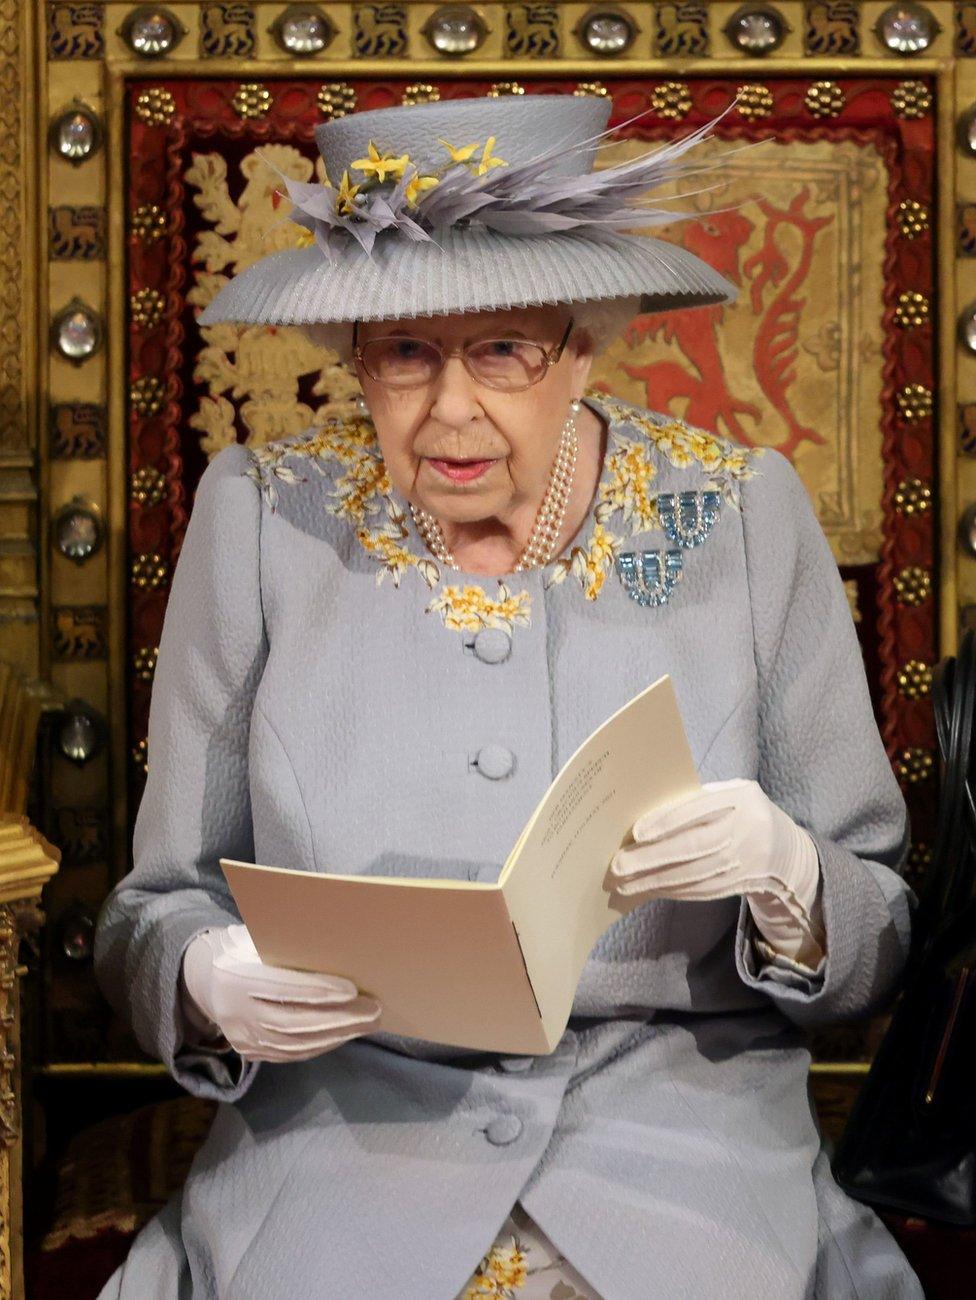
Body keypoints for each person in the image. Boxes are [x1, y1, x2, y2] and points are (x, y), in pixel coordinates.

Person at [93, 93, 924, 1298]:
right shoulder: (265, 516)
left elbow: (878, 938)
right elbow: (151, 907)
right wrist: (202, 979)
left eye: (503, 350)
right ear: (354, 358)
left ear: (584, 343)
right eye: (405, 355)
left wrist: (790, 876)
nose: (449, 411)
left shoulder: (734, 511)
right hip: (343, 1142)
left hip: (680, 1148)